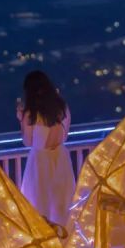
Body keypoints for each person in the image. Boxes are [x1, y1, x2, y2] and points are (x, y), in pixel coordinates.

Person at [17, 70, 75, 228]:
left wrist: (21, 120)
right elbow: (65, 136)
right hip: (61, 157)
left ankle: (44, 242)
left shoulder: (31, 114)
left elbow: (28, 142)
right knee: (62, 201)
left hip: (40, 161)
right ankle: (64, 237)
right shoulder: (62, 107)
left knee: (38, 203)